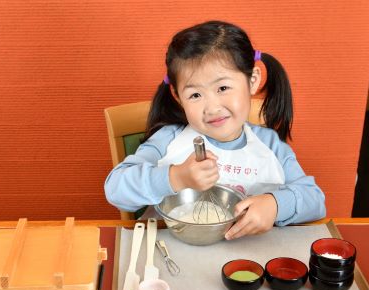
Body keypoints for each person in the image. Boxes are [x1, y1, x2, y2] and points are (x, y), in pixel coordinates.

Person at [105, 21, 325, 239]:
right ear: (177, 96)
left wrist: (276, 205)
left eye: (223, 88)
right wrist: (176, 177)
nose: (212, 108)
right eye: (195, 95)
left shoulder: (270, 146)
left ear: (252, 81)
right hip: (170, 257)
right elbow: (115, 188)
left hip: (246, 260)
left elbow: (315, 200)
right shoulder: (169, 139)